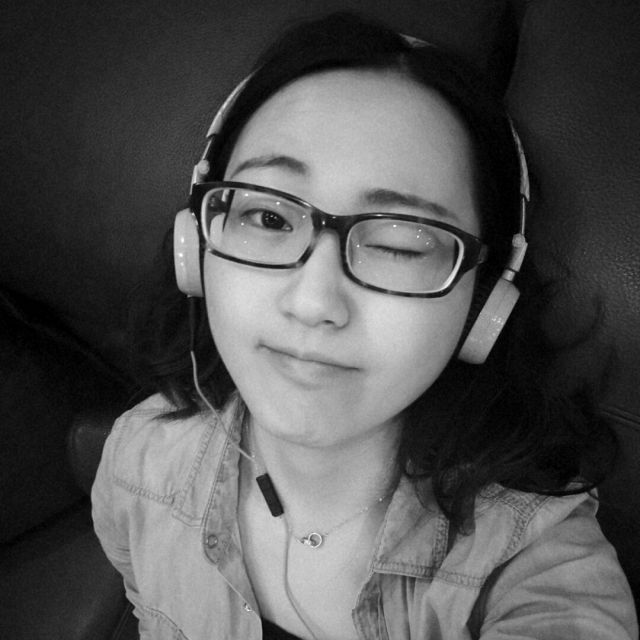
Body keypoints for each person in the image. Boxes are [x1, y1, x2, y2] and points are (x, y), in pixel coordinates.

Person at [92, 11, 637, 640]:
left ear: (483, 302)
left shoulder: (531, 566)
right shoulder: (139, 460)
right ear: (196, 249)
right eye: (268, 218)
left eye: (401, 244)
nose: (313, 302)